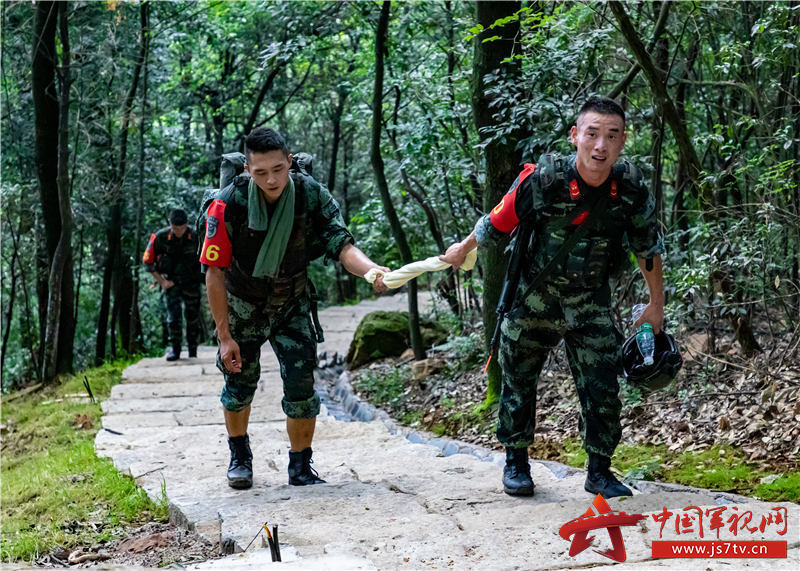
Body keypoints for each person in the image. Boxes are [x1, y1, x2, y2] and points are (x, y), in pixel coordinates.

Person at [440, 96, 665, 499]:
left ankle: (599, 471)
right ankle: (516, 463)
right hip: (533, 296)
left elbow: (647, 247)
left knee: (602, 385)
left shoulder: (629, 189)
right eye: (592, 134)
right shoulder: (544, 180)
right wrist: (463, 247)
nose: (600, 145)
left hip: (589, 299)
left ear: (622, 141)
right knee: (518, 380)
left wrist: (655, 304)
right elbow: (497, 222)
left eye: (611, 136)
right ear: (575, 135)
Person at [199, 127, 388, 490]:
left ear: (289, 162)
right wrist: (224, 337)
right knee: (238, 386)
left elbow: (341, 242)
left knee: (302, 388)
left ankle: (300, 466)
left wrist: (370, 271)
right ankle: (240, 456)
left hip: (293, 304)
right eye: (260, 172)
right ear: (247, 170)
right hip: (242, 305)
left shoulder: (309, 193)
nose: (271, 179)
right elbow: (214, 271)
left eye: (278, 169)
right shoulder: (228, 203)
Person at [143, 208, 203, 361]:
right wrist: (161, 281)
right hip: (172, 283)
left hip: (192, 283)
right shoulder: (160, 237)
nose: (179, 231)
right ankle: (175, 350)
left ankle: (193, 351)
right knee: (173, 318)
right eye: (176, 228)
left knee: (193, 318)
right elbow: (147, 262)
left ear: (186, 225)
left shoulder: (197, 236)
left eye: (182, 228)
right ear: (170, 226)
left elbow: (208, 261)